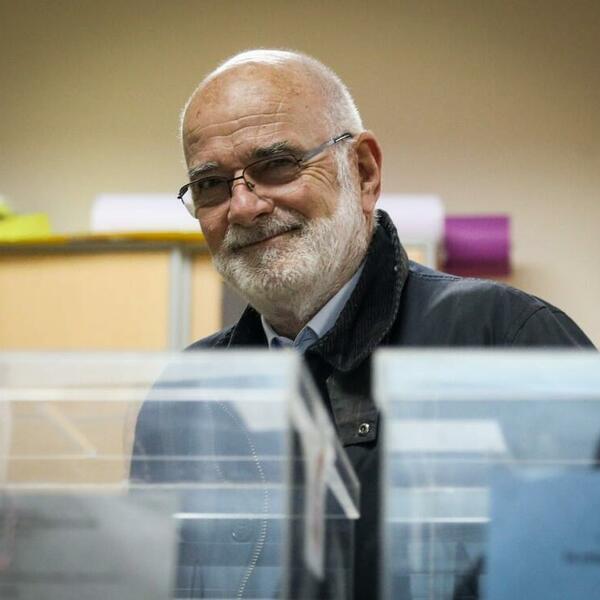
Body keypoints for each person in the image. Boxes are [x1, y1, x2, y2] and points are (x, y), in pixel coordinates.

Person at [136, 49, 594, 599]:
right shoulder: (186, 395)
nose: (244, 206)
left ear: (363, 171)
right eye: (211, 184)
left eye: (276, 165)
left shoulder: (506, 341)